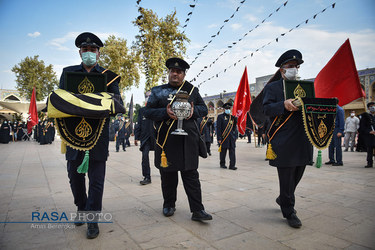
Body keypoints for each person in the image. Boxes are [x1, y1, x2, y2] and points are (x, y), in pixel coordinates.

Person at [59, 32, 122, 239]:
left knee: (97, 180)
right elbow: (60, 99)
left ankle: (93, 218)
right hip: (73, 133)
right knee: (75, 177)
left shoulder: (109, 76)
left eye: (92, 50)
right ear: (79, 52)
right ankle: (81, 207)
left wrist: (97, 101)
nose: (89, 53)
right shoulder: (68, 73)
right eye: (85, 50)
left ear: (98, 53)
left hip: (98, 135)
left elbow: (117, 103)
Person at [144, 57, 212, 222]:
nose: (175, 74)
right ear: (168, 72)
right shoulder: (157, 91)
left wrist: (193, 111)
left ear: (184, 74)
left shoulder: (192, 90)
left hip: (187, 141)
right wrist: (164, 113)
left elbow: (204, 109)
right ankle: (169, 204)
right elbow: (147, 112)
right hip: (166, 141)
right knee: (168, 177)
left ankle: (197, 210)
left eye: (179, 72)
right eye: (172, 71)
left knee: (191, 177)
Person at [263, 49, 313, 228]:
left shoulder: (306, 87)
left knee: (298, 173)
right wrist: (283, 105)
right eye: (291, 66)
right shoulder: (273, 87)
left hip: (303, 137)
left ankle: (283, 197)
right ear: (282, 69)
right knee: (286, 175)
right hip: (283, 138)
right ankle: (289, 210)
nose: (295, 69)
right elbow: (267, 109)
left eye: (297, 66)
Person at [134, 91, 155, 185]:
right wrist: (136, 137)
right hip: (145, 138)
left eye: (150, 96)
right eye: (147, 96)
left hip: (156, 138)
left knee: (161, 157)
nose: (148, 97)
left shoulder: (158, 109)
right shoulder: (142, 110)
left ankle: (166, 173)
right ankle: (147, 176)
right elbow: (139, 124)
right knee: (145, 157)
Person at [217, 102, 238, 170]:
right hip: (224, 137)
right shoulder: (220, 117)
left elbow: (234, 129)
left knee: (232, 152)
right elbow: (219, 128)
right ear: (224, 109)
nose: (228, 109)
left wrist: (235, 122)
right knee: (223, 152)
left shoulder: (232, 117)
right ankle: (222, 164)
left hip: (231, 138)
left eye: (229, 108)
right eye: (226, 108)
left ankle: (232, 165)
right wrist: (219, 138)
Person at [358, 102, 375, 168]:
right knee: (369, 149)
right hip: (369, 136)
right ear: (368, 108)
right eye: (371, 106)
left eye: (374, 106)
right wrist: (369, 131)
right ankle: (369, 162)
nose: (373, 107)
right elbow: (362, 127)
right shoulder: (365, 116)